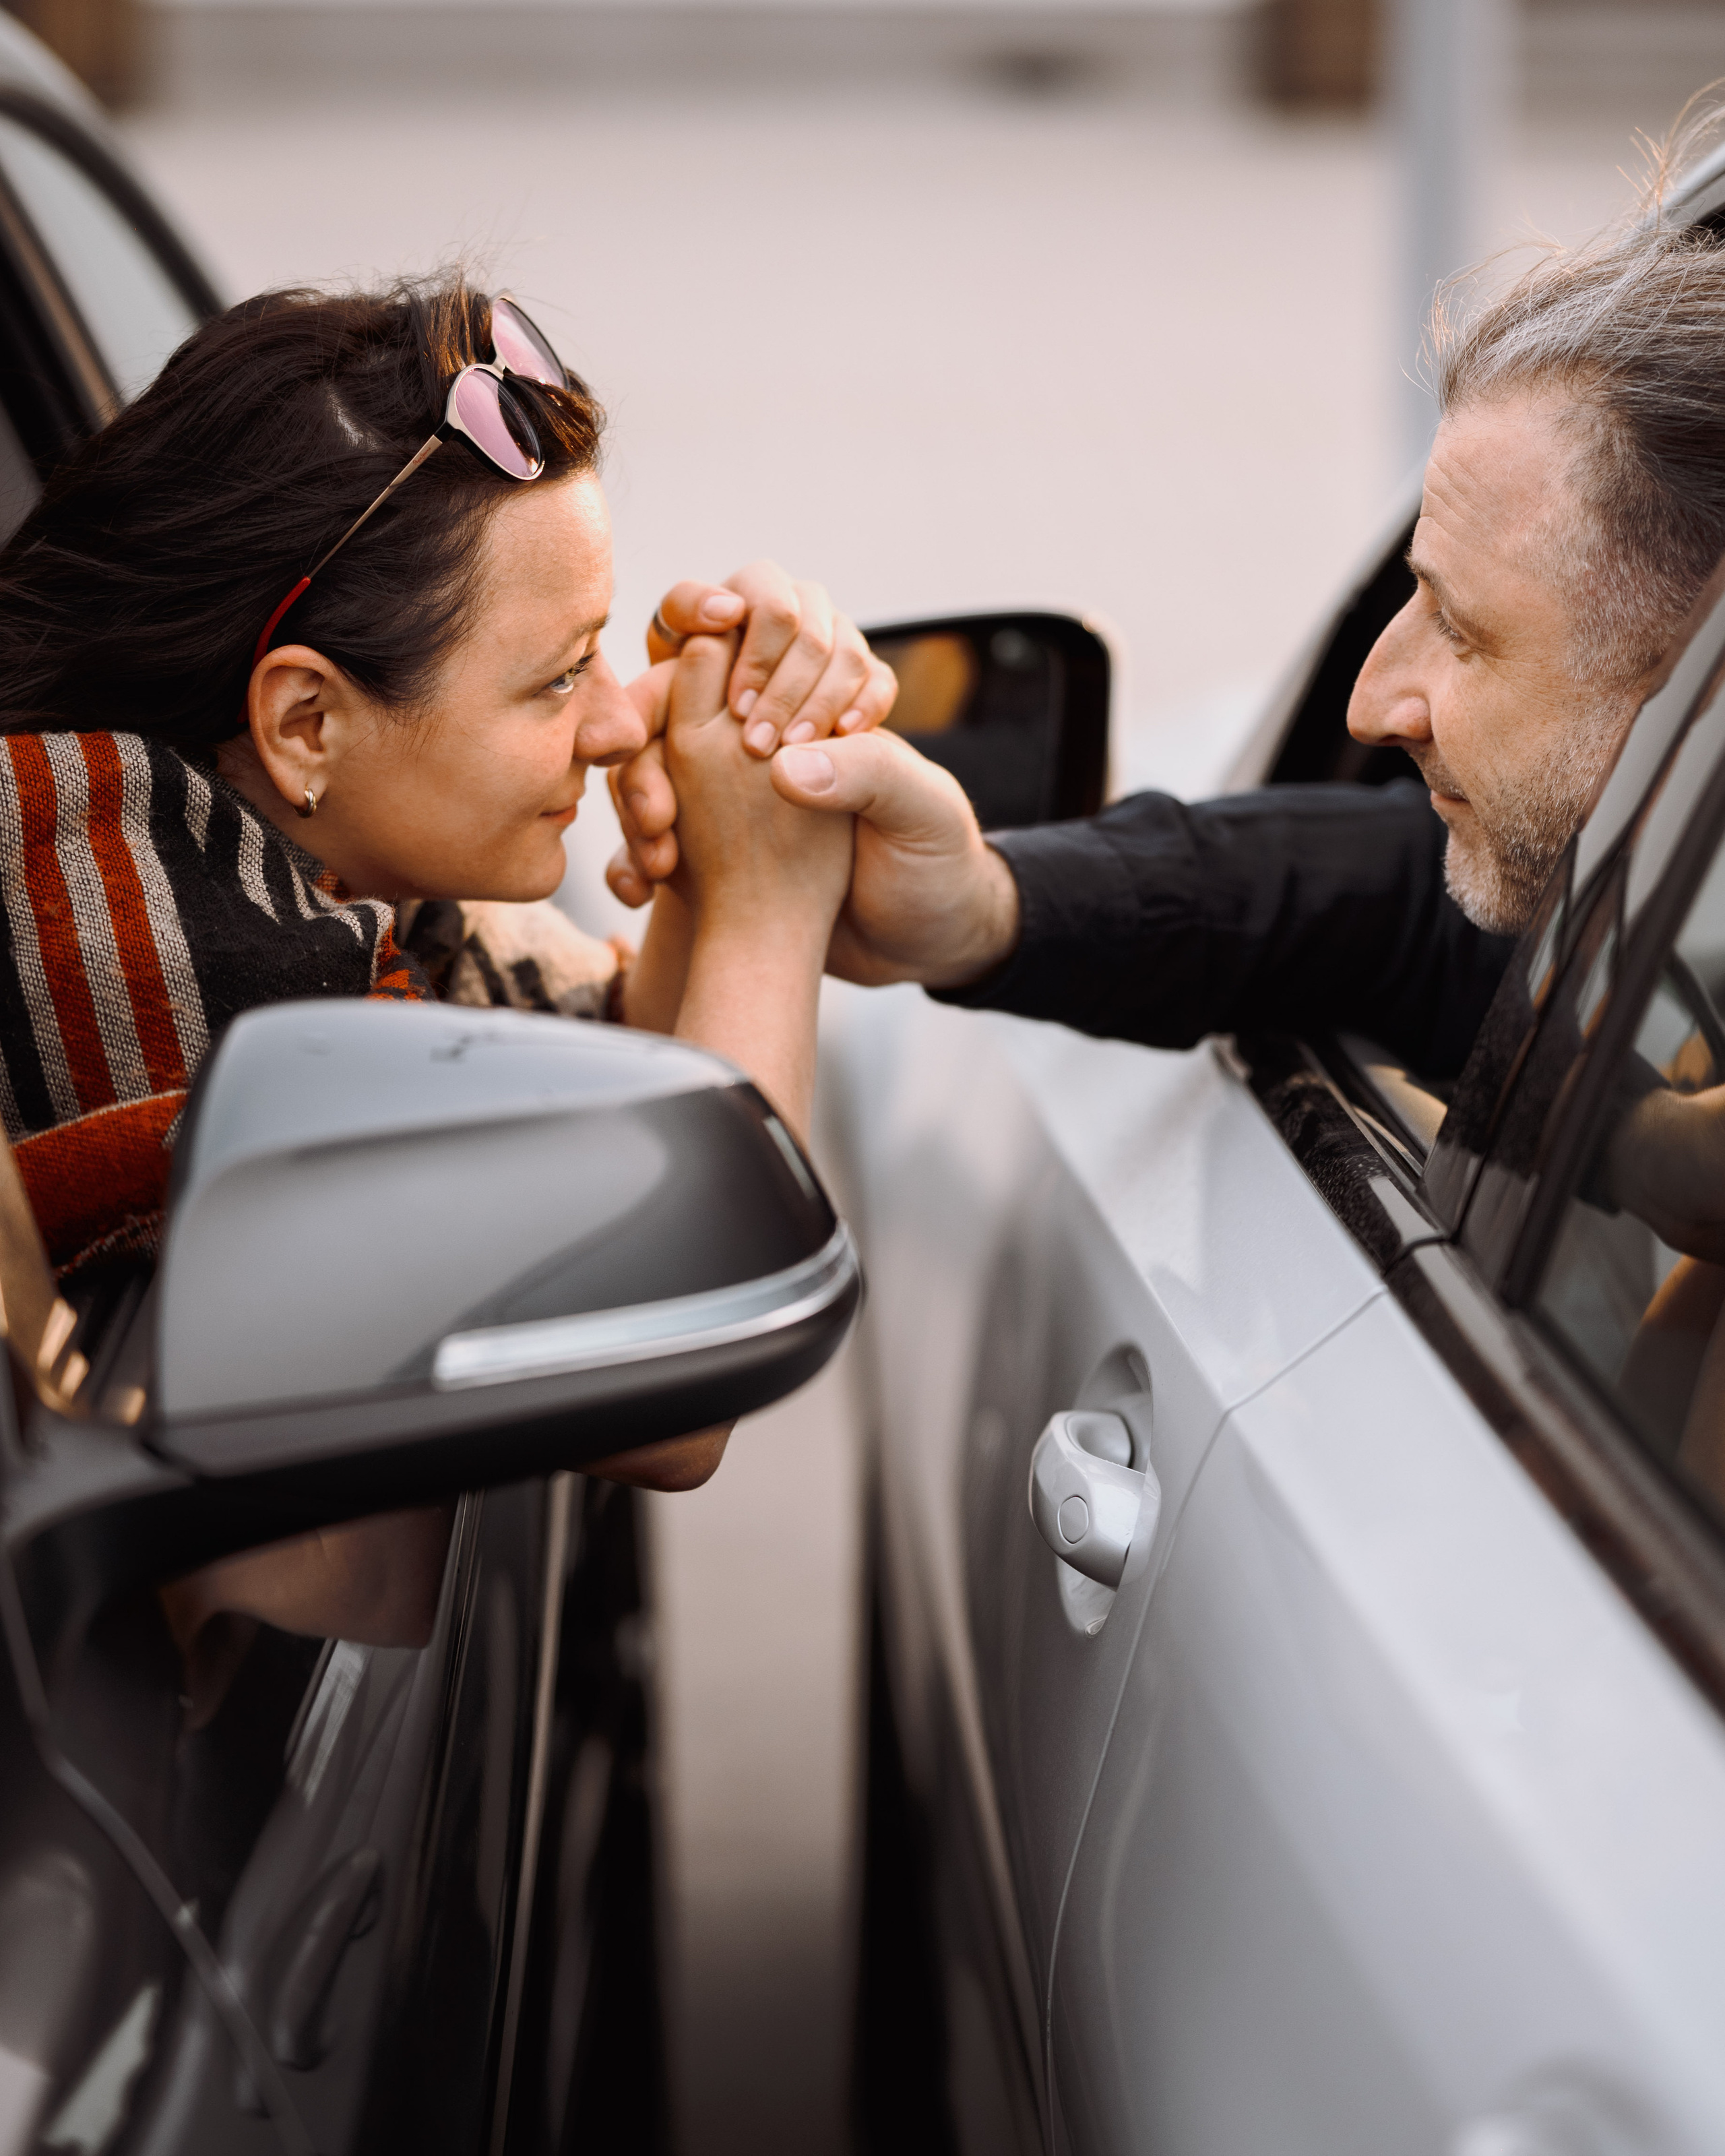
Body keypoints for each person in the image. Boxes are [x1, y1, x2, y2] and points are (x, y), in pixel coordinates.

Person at [0, 274, 881, 1675]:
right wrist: (774, 901)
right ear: (305, 723)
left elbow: (612, 1087)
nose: (608, 727)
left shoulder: (321, 866)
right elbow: (660, 1387)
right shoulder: (109, 888)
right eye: (555, 678)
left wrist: (718, 827)